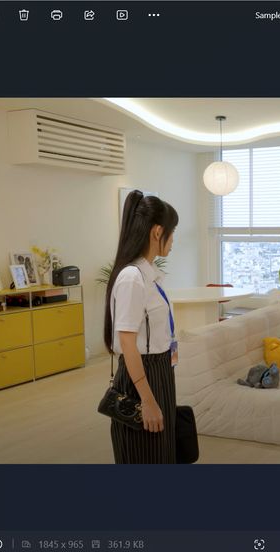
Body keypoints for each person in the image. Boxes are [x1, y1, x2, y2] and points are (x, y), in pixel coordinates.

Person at [103, 189, 179, 464]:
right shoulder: (132, 278)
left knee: (162, 454)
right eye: (172, 232)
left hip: (160, 372)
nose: (173, 241)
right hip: (142, 376)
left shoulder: (149, 276)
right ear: (158, 232)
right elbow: (127, 343)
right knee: (145, 456)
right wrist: (147, 400)